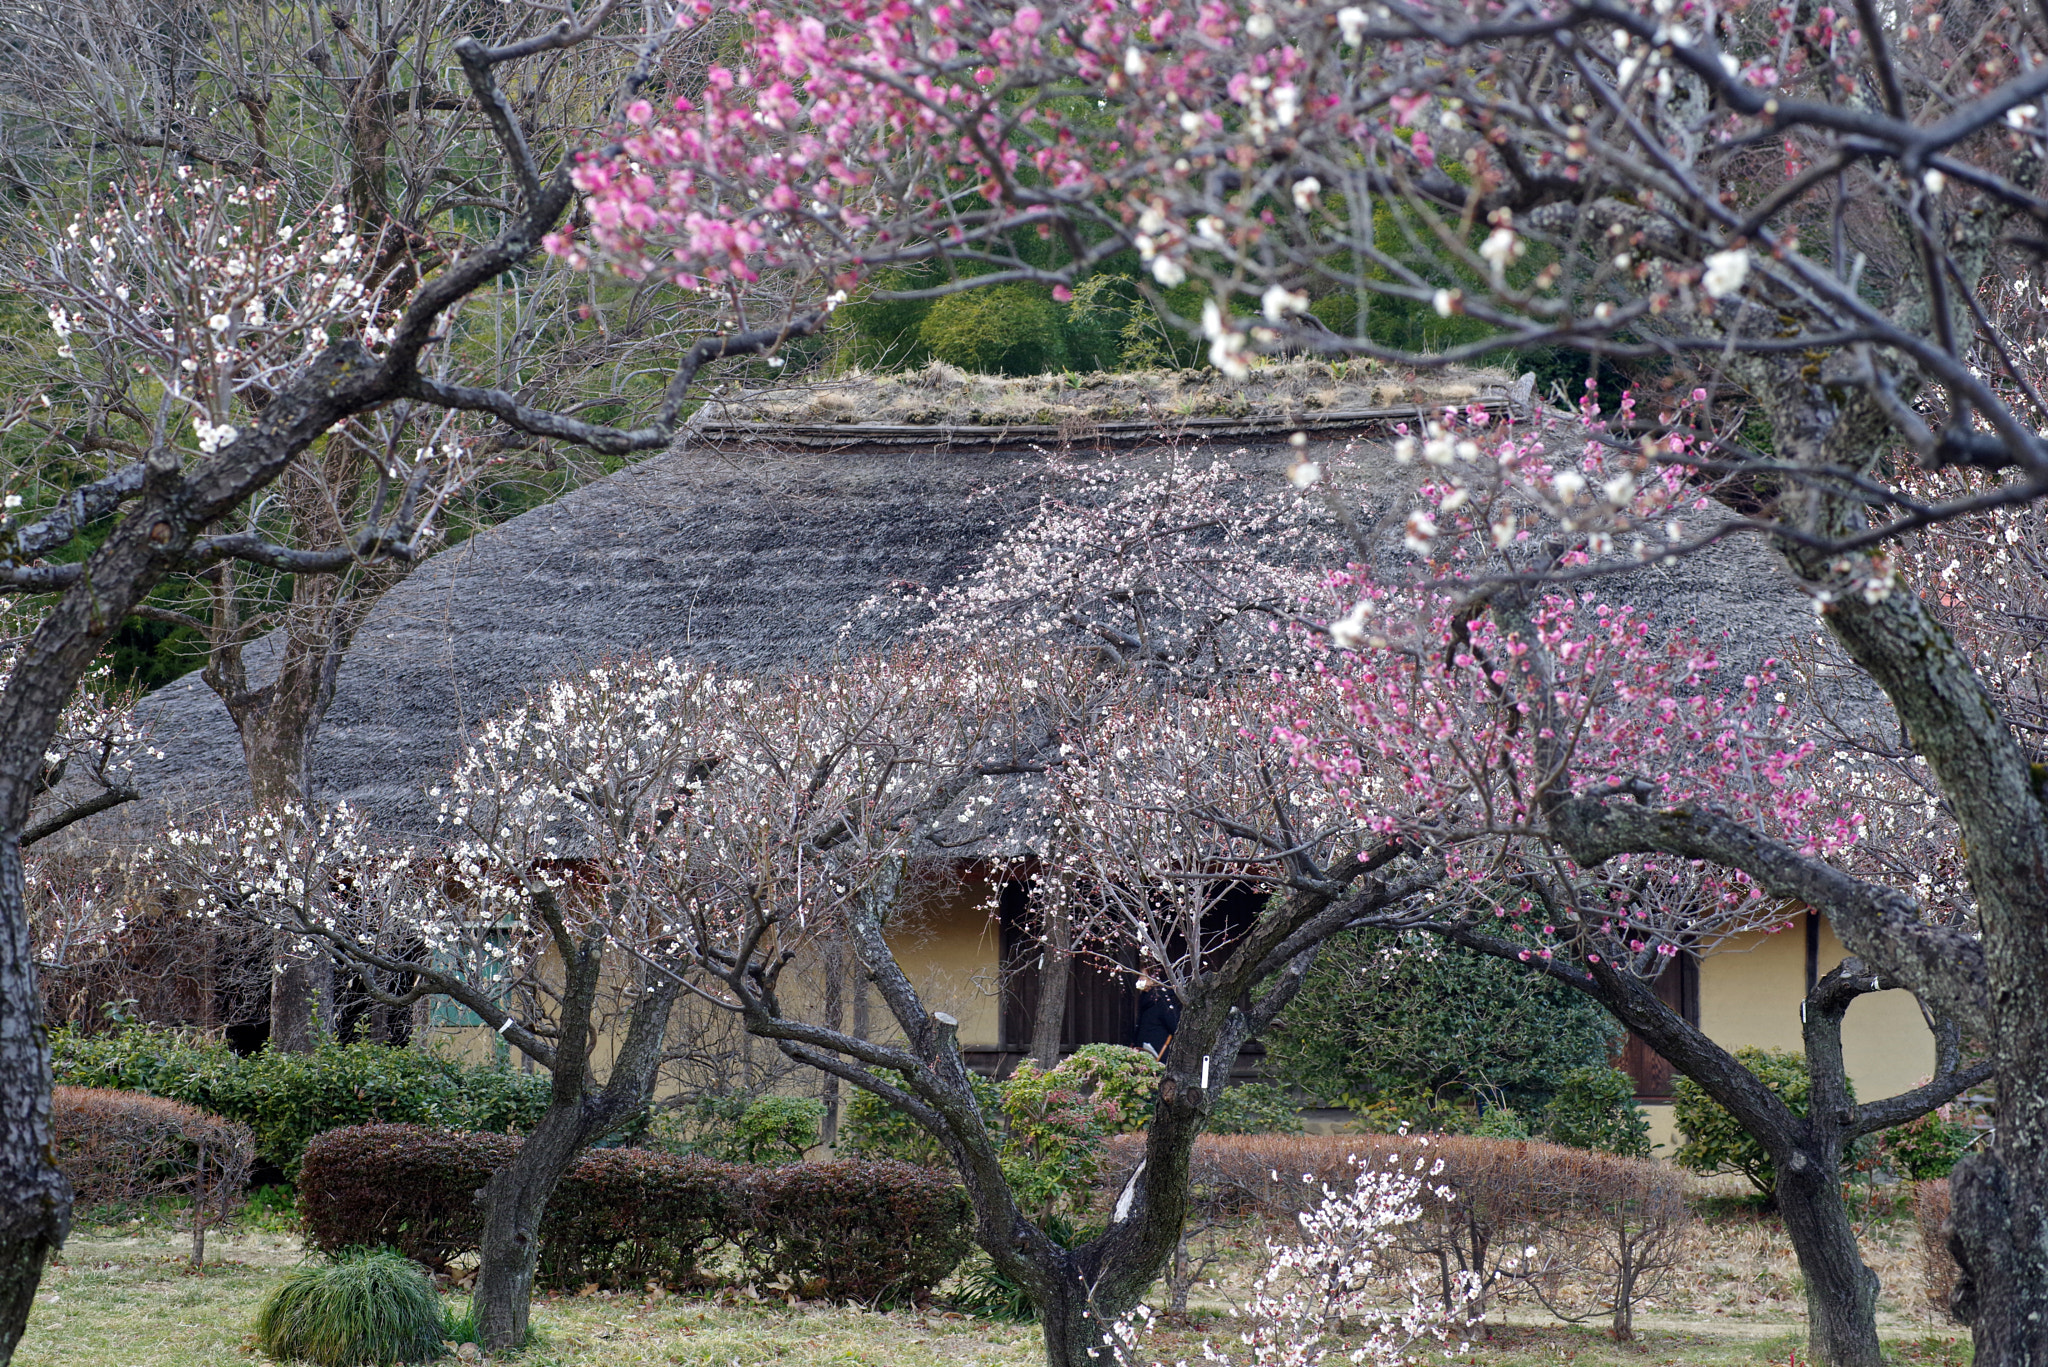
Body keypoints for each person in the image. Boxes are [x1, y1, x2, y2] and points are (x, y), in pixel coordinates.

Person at [1133, 975, 1181, 1059]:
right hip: (1145, 1048)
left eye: (1142, 977)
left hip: (1158, 1050)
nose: (1139, 980)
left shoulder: (1163, 1000)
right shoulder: (1145, 998)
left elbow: (1174, 1025)